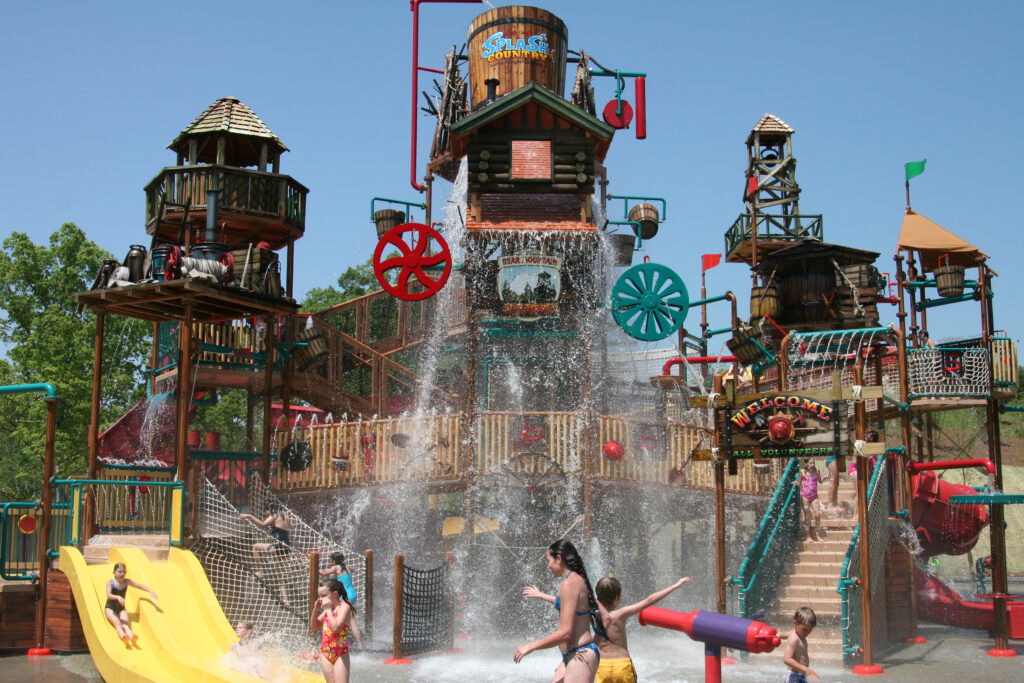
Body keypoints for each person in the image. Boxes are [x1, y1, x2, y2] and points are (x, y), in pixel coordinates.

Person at [516, 539, 601, 682]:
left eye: (549, 560)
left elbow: (566, 633)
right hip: (576, 655)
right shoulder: (577, 580)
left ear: (559, 559)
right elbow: (565, 604)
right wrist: (541, 595)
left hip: (580, 655)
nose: (548, 566)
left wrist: (531, 646)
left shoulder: (568, 584)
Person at [592, 575, 693, 682]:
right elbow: (649, 600)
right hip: (622, 665)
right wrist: (675, 586)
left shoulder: (593, 615)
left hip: (602, 666)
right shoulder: (621, 614)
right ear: (617, 598)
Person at [240, 504, 295, 608]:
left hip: (278, 546)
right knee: (279, 576)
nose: (266, 514)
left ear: (269, 509)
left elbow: (262, 524)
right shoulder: (284, 517)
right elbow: (292, 527)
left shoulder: (274, 515)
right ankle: (286, 601)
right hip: (287, 548)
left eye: (266, 512)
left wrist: (249, 516)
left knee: (255, 547)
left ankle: (260, 571)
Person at [103, 562, 158, 648]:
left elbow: (139, 586)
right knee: (117, 623)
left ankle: (131, 636)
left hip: (121, 608)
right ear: (114, 572)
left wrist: (150, 590)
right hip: (110, 608)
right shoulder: (110, 582)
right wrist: (118, 597)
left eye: (124, 572)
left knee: (125, 623)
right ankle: (123, 636)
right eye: (119, 572)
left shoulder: (126, 582)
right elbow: (108, 595)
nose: (122, 574)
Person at [313, 579, 355, 683]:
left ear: (335, 594)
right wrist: (316, 609)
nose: (321, 599)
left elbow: (336, 629)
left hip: (340, 653)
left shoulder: (344, 607)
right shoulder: (329, 609)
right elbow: (314, 627)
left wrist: (327, 610)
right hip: (326, 653)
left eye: (323, 595)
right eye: (320, 596)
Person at [318, 552, 362, 648]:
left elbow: (324, 574)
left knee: (351, 620)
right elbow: (353, 569)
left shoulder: (336, 567)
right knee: (348, 618)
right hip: (353, 594)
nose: (330, 562)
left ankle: (358, 644)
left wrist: (313, 568)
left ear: (334, 561)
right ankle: (355, 642)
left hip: (345, 595)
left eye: (331, 560)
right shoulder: (346, 566)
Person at [782, 607, 819, 682]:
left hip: (800, 675)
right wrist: (806, 669)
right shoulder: (794, 639)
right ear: (795, 623)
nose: (807, 633)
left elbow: (784, 634)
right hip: (793, 675)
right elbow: (787, 659)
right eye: (804, 629)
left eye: (810, 630)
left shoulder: (798, 634)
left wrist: (778, 635)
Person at [797, 458, 823, 542]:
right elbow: (799, 483)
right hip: (805, 496)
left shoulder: (817, 471)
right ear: (806, 464)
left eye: (813, 463)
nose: (812, 464)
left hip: (814, 496)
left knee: (817, 515)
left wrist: (826, 477)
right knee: (807, 516)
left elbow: (820, 481)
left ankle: (818, 534)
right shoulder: (802, 472)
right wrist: (796, 483)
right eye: (810, 463)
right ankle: (807, 535)